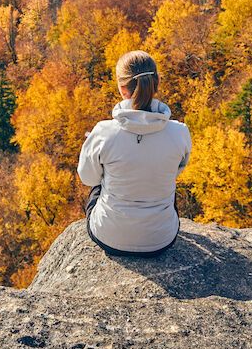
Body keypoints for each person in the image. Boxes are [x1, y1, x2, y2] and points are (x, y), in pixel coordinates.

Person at [77, 50, 192, 256]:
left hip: (109, 236)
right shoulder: (180, 132)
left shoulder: (104, 132)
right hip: (162, 240)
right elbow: (176, 171)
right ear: (157, 83)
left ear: (122, 89)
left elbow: (88, 178)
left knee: (98, 183)